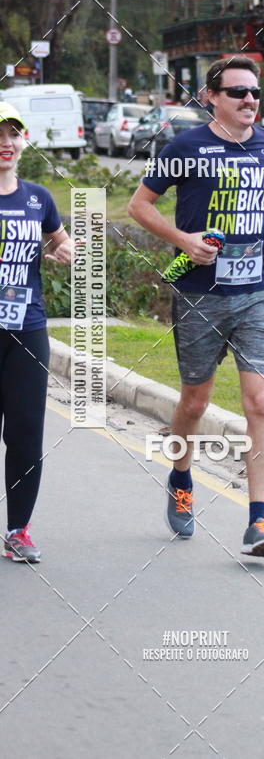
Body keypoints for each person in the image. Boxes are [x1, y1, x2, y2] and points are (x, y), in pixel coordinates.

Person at [128, 57, 264, 557]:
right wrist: (183, 241)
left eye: (255, 92)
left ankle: (260, 520)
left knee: (260, 402)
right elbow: (139, 206)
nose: (250, 100)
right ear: (211, 98)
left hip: (257, 291)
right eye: (238, 92)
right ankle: (181, 477)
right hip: (200, 293)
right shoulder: (184, 148)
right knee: (194, 404)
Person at [0, 102, 73, 563]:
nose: (5, 143)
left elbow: (61, 240)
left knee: (26, 433)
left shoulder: (38, 198)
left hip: (27, 329)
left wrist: (65, 250)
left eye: (13, 134)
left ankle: (18, 531)